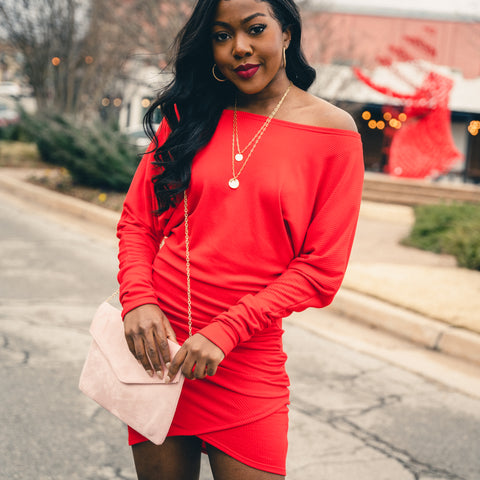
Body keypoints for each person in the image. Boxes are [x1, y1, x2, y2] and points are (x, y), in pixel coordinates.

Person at [116, 0, 364, 478]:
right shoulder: (190, 115)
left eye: (254, 29)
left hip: (245, 359)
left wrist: (226, 331)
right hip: (160, 350)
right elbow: (137, 223)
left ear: (287, 33)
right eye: (222, 35)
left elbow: (320, 271)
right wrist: (138, 301)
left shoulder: (333, 134)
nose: (240, 49)